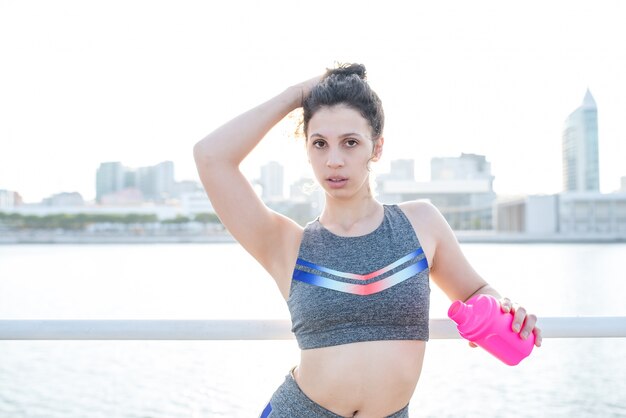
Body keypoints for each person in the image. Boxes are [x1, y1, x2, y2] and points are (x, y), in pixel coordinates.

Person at [193, 63, 542, 418]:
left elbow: (474, 291)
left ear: (376, 148)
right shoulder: (285, 243)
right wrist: (294, 96)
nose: (333, 160)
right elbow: (210, 157)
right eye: (320, 144)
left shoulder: (421, 224)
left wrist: (507, 310)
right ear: (308, 151)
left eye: (350, 143)